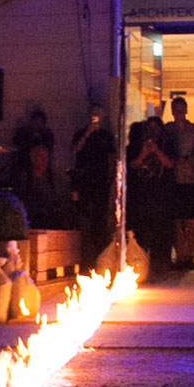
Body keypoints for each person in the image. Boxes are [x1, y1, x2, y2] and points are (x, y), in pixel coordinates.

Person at [126, 116, 175, 281]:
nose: (153, 132)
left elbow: (170, 164)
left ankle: (159, 267)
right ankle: (140, 268)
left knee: (160, 234)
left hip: (161, 196)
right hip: (140, 196)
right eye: (149, 128)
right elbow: (132, 165)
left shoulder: (167, 145)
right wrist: (144, 154)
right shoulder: (134, 146)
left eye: (156, 128)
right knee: (141, 233)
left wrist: (157, 151)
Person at [166, 95, 194, 268]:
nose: (179, 113)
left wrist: (193, 159)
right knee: (177, 221)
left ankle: (188, 255)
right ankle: (180, 256)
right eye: (176, 110)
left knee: (192, 221)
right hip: (174, 179)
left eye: (181, 109)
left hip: (193, 178)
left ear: (185, 110)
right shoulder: (168, 131)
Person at [69, 103, 116, 274]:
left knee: (100, 220)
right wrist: (87, 134)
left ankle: (100, 259)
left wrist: (111, 180)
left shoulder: (107, 136)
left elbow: (112, 159)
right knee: (83, 218)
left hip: (101, 182)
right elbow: (75, 150)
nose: (95, 115)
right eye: (93, 113)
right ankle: (84, 261)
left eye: (98, 113)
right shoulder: (81, 133)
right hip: (84, 181)